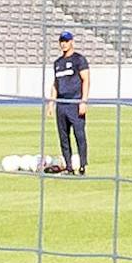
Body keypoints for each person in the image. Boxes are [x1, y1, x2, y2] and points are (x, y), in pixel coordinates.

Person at [47, 30, 89, 175]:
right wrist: (51, 102)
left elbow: (86, 80)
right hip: (61, 104)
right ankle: (69, 166)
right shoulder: (58, 63)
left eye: (66, 41)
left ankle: (82, 165)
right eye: (62, 41)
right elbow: (56, 84)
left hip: (75, 102)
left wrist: (83, 101)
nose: (64, 44)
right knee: (63, 137)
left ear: (72, 42)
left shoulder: (79, 60)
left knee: (79, 135)